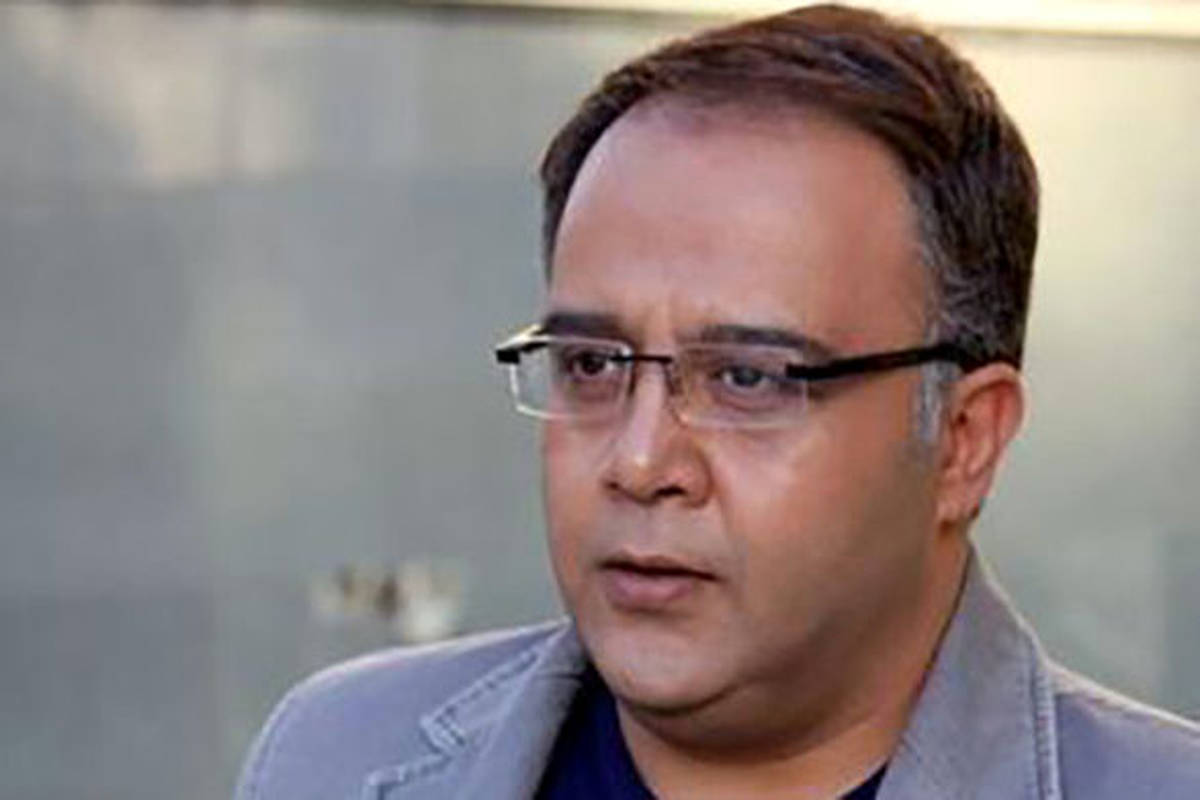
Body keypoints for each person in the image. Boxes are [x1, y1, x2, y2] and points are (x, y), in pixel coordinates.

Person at [234, 5, 1200, 799]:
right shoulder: (334, 757)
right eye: (591, 364)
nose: (640, 461)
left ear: (962, 441)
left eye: (748, 378)